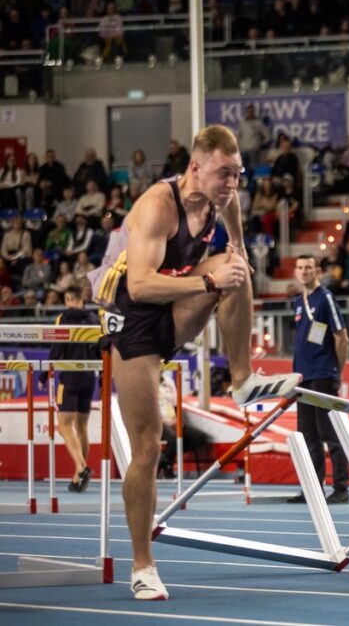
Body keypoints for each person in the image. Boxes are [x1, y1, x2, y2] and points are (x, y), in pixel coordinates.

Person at [88, 125, 301, 600]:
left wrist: (238, 250)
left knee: (236, 266)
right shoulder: (157, 206)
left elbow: (235, 220)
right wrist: (208, 284)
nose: (232, 184)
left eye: (238, 174)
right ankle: (143, 565)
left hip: (174, 308)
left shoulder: (222, 195)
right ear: (195, 168)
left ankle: (242, 379)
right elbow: (141, 286)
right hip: (134, 320)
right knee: (148, 446)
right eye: (224, 173)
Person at [289, 255, 349, 505]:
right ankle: (313, 489)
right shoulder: (296, 302)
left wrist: (337, 372)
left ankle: (341, 487)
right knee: (307, 436)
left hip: (323, 374)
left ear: (317, 271)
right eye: (300, 267)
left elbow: (342, 337)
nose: (304, 271)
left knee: (329, 432)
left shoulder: (325, 297)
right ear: (295, 272)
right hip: (303, 375)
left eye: (308, 268)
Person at [49, 285, 99, 492]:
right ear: (83, 298)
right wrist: (103, 374)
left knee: (63, 427)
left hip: (69, 377)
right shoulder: (94, 320)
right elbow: (98, 349)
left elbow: (56, 348)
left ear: (68, 298)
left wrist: (44, 374)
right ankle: (78, 476)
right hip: (89, 377)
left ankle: (82, 467)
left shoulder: (62, 319)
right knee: (82, 428)